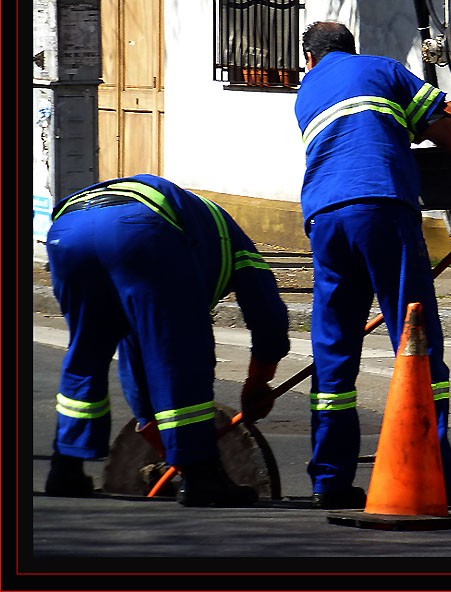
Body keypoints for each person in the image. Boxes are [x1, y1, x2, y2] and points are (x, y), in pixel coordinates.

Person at [295, 21, 451, 510]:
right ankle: (436, 471)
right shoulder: (382, 69)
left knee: (334, 347)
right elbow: (446, 133)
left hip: (324, 217)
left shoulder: (307, 92)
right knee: (415, 342)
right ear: (354, 48)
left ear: (310, 59)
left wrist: (432, 110)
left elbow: (364, 127)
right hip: (382, 205)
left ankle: (328, 480)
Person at [43, 174, 290, 507]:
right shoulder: (237, 244)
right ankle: (203, 478)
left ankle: (65, 469)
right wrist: (258, 383)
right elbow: (268, 317)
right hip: (137, 226)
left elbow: (137, 353)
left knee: (87, 349)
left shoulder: (197, 227)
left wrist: (149, 423)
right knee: (179, 354)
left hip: (68, 229)